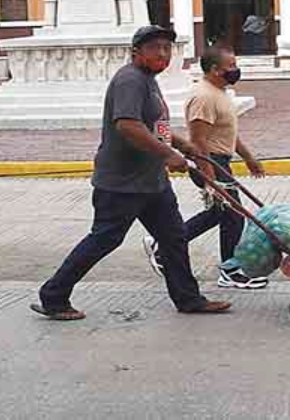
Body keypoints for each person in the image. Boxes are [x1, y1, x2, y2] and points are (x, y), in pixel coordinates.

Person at [31, 25, 231, 320]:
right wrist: (168, 154)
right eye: (155, 48)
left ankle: (188, 299)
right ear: (136, 52)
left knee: (174, 237)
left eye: (167, 48)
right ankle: (54, 296)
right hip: (122, 183)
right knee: (105, 238)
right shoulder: (130, 80)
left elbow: (156, 123)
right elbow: (127, 125)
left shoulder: (150, 80)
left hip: (152, 183)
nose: (163, 54)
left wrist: (182, 145)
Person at [144, 45, 268, 289]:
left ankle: (163, 245)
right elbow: (199, 140)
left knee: (219, 214)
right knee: (233, 217)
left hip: (221, 161)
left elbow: (228, 133)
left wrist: (248, 158)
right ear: (214, 69)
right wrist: (210, 178)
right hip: (210, 162)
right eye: (230, 66)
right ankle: (230, 271)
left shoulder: (220, 92)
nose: (235, 70)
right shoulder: (203, 97)